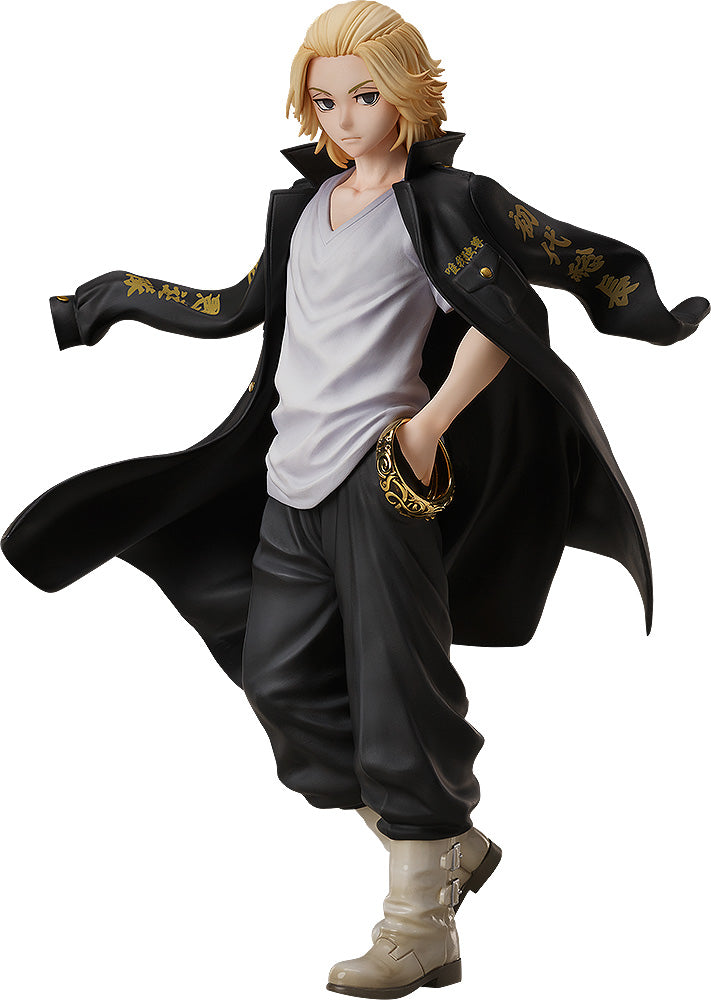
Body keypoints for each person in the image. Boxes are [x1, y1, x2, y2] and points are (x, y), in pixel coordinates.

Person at [2, 3, 708, 997]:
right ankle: (444, 843)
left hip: (381, 483)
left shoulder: (444, 203)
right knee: (280, 682)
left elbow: (507, 315)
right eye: (325, 99)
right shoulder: (304, 208)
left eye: (363, 96)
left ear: (408, 94)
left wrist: (426, 428)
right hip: (288, 480)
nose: (341, 117)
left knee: (397, 691)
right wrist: (112, 297)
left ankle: (420, 925)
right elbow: (237, 305)